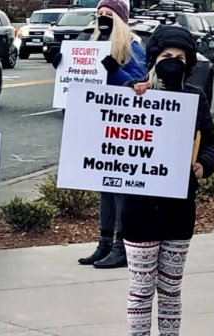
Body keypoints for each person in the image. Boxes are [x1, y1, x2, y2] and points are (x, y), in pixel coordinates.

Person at [121, 25, 214, 336]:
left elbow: (212, 143)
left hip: (179, 208)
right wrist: (133, 98)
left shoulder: (195, 97)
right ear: (154, 59)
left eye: (180, 57)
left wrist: (204, 165)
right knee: (140, 290)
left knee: (170, 290)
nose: (173, 62)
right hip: (139, 208)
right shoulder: (135, 93)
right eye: (167, 56)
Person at [53, 0, 146, 269]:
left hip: (121, 122)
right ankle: (104, 243)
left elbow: (138, 82)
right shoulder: (90, 42)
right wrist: (60, 66)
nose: (103, 18)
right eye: (99, 14)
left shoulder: (131, 46)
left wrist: (115, 70)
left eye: (109, 14)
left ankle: (121, 246)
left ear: (120, 18)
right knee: (104, 186)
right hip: (96, 121)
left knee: (119, 188)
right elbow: (77, 78)